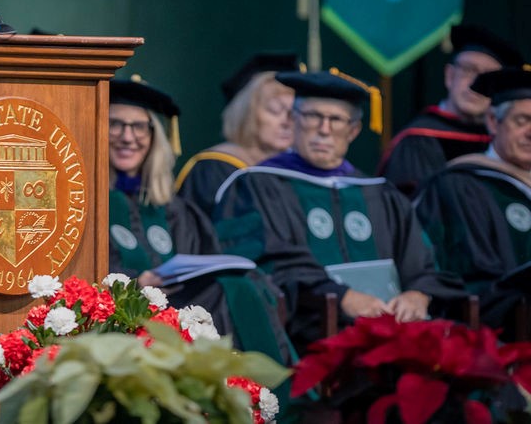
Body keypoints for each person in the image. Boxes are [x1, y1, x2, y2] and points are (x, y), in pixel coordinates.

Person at [211, 70, 465, 350]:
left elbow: (423, 262)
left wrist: (419, 294)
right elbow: (266, 262)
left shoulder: (380, 193)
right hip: (305, 341)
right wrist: (340, 297)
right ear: (293, 120)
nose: (324, 129)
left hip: (392, 337)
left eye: (336, 120)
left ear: (354, 130)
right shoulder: (255, 186)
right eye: (312, 116)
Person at [108, 77, 291, 366]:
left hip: (185, 313)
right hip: (123, 318)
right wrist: (136, 281)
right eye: (115, 124)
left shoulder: (177, 210)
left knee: (243, 284)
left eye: (139, 126)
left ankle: (260, 390)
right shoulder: (87, 206)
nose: (128, 137)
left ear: (154, 136)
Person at [414, 67, 531, 337]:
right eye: (522, 120)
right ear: (492, 121)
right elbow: (472, 283)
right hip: (498, 340)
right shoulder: (459, 186)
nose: (530, 132)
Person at [378, 24, 524, 197]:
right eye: (469, 70)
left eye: (488, 76)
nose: (474, 84)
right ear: (449, 75)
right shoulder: (419, 139)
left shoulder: (507, 142)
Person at [175, 52, 298, 214]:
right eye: (275, 110)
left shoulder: (298, 171)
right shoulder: (215, 168)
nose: (287, 121)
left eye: (294, 111)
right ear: (247, 114)